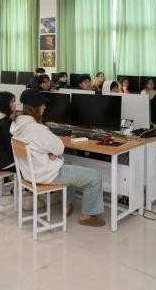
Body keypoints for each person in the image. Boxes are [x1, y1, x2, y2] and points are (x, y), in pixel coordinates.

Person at [10, 89, 106, 227]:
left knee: (68, 164)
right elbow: (60, 148)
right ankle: (87, 216)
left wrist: (50, 154)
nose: (45, 107)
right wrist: (53, 153)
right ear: (35, 108)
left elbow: (44, 148)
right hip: (47, 174)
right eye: (42, 105)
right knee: (95, 177)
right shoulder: (37, 129)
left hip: (30, 174)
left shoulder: (17, 125)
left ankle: (67, 205)